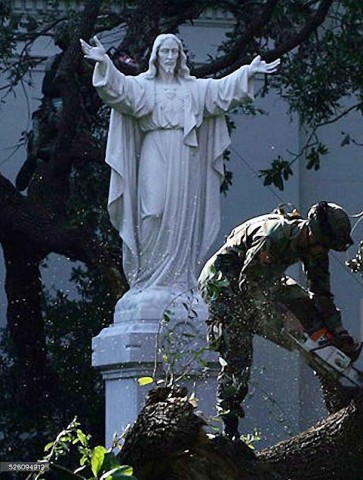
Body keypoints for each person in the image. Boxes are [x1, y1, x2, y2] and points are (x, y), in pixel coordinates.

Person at [79, 34, 280, 316]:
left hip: (187, 155)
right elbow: (120, 91)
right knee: (153, 210)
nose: (171, 57)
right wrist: (104, 64)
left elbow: (222, 92)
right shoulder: (144, 87)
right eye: (165, 52)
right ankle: (148, 279)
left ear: (180, 56)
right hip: (155, 149)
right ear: (156, 56)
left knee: (181, 215)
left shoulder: (193, 89)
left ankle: (178, 281)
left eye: (175, 52)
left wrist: (248, 72)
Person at [199, 201, 360, 439]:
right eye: (320, 246)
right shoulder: (273, 236)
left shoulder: (316, 248)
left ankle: (332, 369)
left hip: (265, 280)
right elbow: (249, 284)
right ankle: (229, 427)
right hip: (224, 282)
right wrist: (283, 316)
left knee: (306, 309)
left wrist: (338, 332)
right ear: (309, 232)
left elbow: (322, 295)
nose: (320, 252)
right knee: (238, 352)